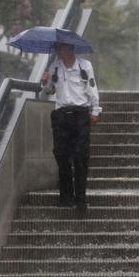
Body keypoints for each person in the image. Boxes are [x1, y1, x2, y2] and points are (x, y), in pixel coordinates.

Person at [41, 43, 101, 210]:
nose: (60, 52)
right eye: (58, 49)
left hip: (80, 115)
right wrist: (45, 81)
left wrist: (95, 110)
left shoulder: (84, 66)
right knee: (61, 155)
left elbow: (92, 87)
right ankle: (65, 197)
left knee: (80, 157)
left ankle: (80, 199)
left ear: (71, 49)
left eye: (63, 49)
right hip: (61, 115)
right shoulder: (54, 66)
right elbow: (49, 91)